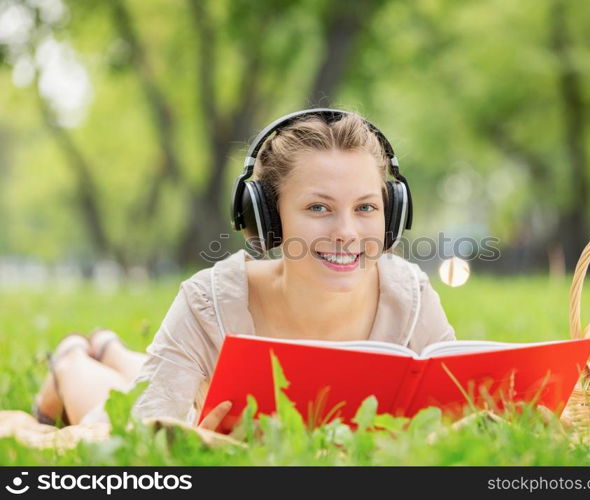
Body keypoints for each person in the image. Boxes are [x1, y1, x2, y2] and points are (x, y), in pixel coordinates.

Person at [32, 109, 456, 433]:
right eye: (318, 208)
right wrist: (204, 444)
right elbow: (144, 429)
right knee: (112, 417)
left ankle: (109, 349)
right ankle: (72, 362)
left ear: (393, 212)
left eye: (366, 207)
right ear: (267, 218)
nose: (346, 232)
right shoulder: (210, 302)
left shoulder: (411, 301)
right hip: (161, 391)